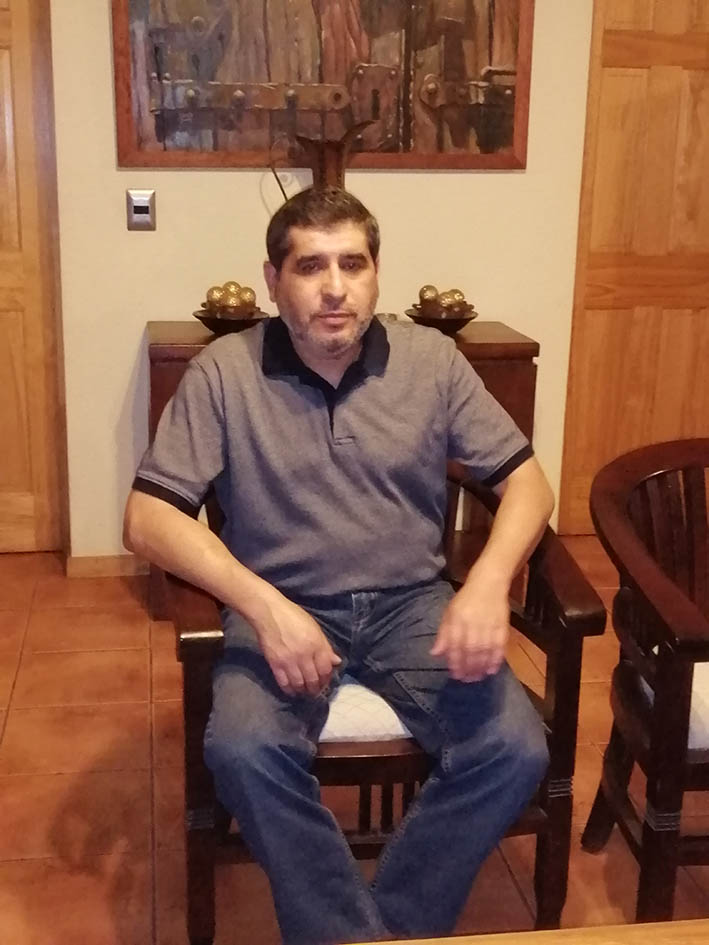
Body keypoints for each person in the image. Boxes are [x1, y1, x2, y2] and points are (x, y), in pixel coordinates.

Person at [124, 186, 554, 945]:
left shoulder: (432, 362)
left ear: (376, 273)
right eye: (310, 266)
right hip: (283, 603)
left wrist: (488, 582)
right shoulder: (225, 372)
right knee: (243, 750)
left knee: (514, 747)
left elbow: (527, 481)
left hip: (412, 605)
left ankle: (381, 927)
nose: (334, 287)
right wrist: (264, 607)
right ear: (272, 280)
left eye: (352, 264)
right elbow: (147, 518)